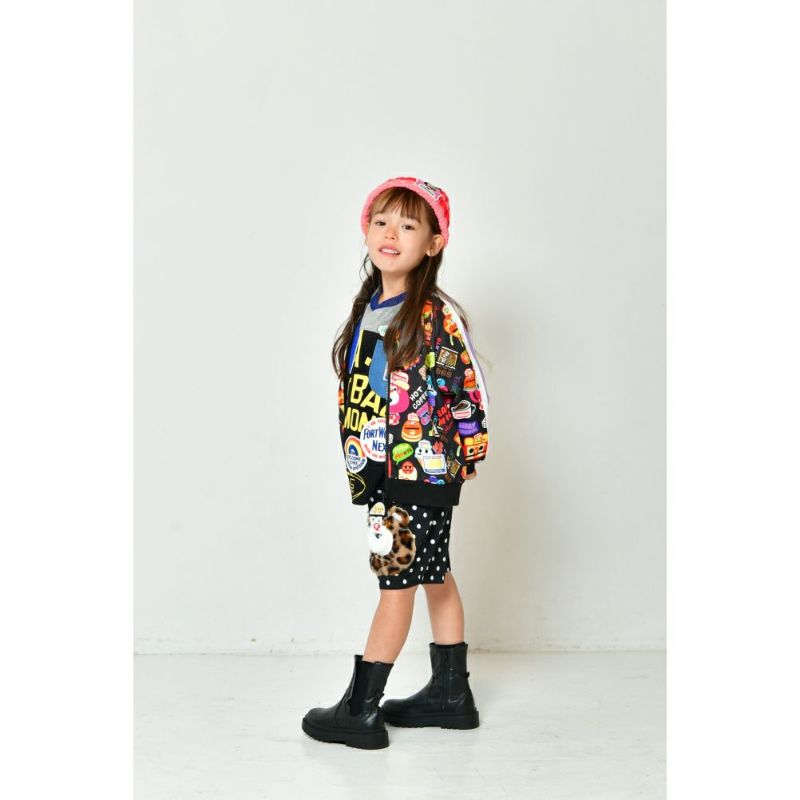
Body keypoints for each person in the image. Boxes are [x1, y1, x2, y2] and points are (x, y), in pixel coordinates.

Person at [301, 176, 491, 749]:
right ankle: (451, 695)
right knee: (433, 573)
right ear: (366, 230)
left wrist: (470, 448)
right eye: (382, 221)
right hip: (389, 471)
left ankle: (360, 709)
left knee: (396, 583)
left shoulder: (432, 313)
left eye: (409, 225)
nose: (391, 233)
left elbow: (466, 384)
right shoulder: (372, 307)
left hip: (418, 469)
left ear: (433, 244)